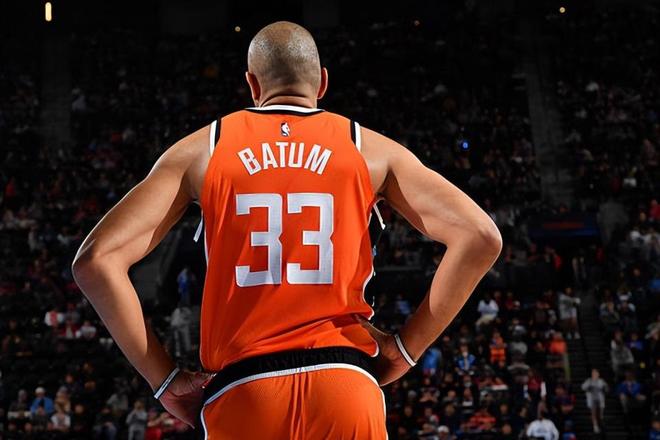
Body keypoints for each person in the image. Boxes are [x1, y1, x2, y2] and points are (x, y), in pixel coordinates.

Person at [71, 21, 502, 438]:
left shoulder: (202, 150)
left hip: (245, 389)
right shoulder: (371, 149)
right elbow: (481, 236)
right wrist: (406, 349)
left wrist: (164, 380)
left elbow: (95, 262)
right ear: (323, 83)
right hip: (345, 383)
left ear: (252, 85)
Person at [581, 368, 608, 433]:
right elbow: (583, 387)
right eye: (593, 373)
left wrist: (604, 388)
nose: (594, 374)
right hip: (592, 399)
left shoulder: (601, 381)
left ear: (598, 374)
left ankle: (601, 425)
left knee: (600, 414)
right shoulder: (589, 380)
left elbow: (606, 388)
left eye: (596, 373)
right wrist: (589, 387)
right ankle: (595, 426)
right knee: (593, 413)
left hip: (600, 399)